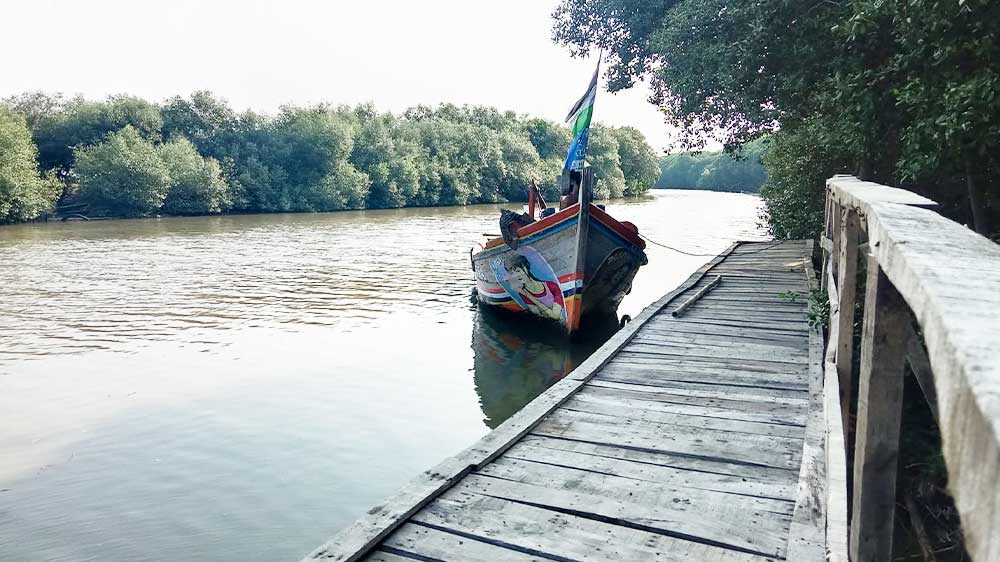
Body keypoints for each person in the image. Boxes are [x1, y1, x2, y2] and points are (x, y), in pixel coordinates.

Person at [505, 254, 564, 321]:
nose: (516, 275)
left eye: (518, 271)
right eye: (512, 273)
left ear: (525, 268)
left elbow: (556, 316)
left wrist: (528, 295)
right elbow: (539, 317)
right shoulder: (523, 293)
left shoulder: (551, 286)